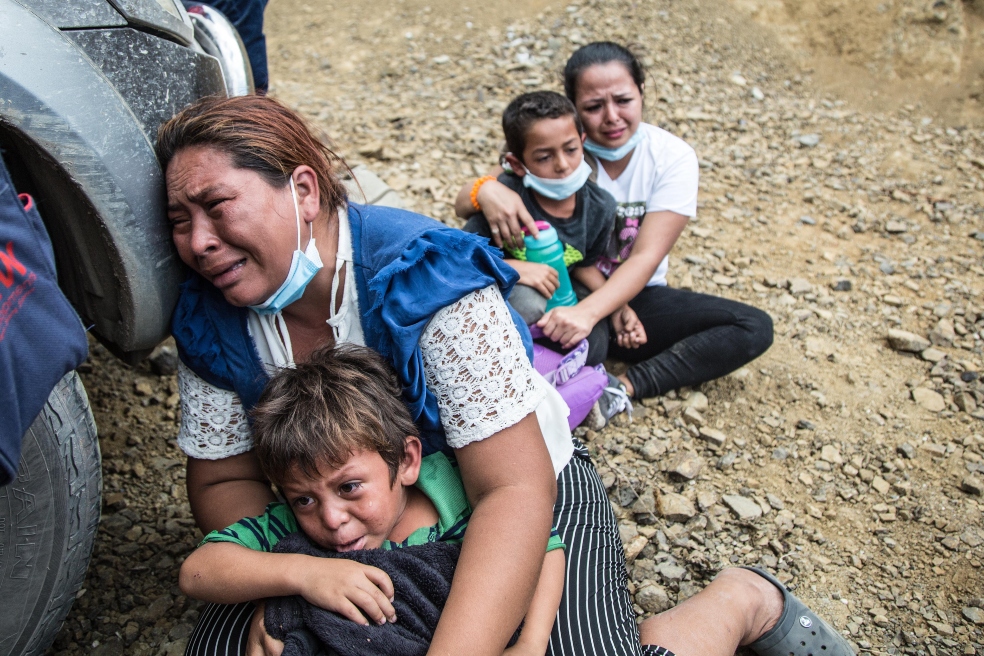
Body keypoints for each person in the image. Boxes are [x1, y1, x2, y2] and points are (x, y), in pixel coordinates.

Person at [159, 94, 849, 656]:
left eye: (217, 206)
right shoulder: (211, 314)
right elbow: (225, 479)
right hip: (330, 523)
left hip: (514, 494)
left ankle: (740, 602)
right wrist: (298, 573)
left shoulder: (424, 281)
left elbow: (514, 491)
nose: (198, 242)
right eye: (178, 221)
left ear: (303, 190)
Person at [179, 344, 565, 655]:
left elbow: (543, 547)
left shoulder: (452, 496)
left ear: (407, 461)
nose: (331, 519)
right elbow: (197, 572)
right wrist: (305, 574)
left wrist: (532, 643)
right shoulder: (289, 526)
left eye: (349, 488)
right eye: (304, 500)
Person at [455, 41, 774, 402]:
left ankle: (621, 387)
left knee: (751, 327)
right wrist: (485, 190)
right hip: (560, 287)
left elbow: (644, 258)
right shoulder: (557, 144)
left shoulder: (670, 158)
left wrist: (595, 312)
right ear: (575, 110)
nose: (611, 117)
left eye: (623, 100)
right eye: (593, 106)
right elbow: (467, 204)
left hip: (630, 294)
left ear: (641, 93)